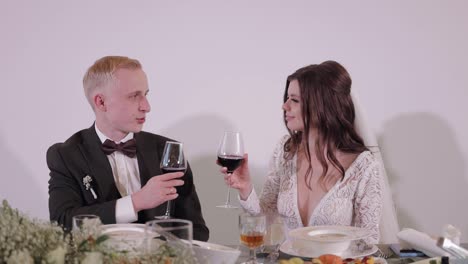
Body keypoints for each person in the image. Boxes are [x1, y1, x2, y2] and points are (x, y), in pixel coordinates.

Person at [47, 56, 209, 241]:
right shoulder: (66, 155)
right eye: (134, 96)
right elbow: (62, 224)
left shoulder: (167, 149)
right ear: (101, 102)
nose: (146, 107)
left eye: (145, 94)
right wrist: (136, 202)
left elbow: (196, 231)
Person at [221, 61, 384, 243]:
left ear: (323, 105)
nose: (285, 106)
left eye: (295, 100)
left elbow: (368, 243)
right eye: (287, 98)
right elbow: (263, 218)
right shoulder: (285, 152)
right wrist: (245, 188)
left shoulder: (362, 165)